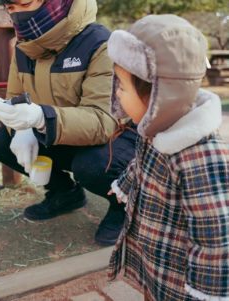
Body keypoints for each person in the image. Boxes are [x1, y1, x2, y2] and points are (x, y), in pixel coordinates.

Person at [0, 0, 137, 246]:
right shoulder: (23, 48)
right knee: (2, 141)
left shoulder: (101, 44)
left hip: (116, 138)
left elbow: (103, 121)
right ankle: (65, 193)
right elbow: (16, 97)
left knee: (92, 164)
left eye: (23, 3)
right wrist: (19, 128)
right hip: (61, 132)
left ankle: (125, 206)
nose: (15, 15)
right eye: (10, 8)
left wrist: (38, 117)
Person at [106, 14, 229, 301]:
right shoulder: (158, 126)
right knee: (152, 288)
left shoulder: (201, 157)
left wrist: (204, 293)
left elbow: (217, 237)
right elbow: (141, 164)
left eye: (122, 87)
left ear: (159, 95)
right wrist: (124, 184)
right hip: (156, 248)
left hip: (180, 274)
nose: (117, 94)